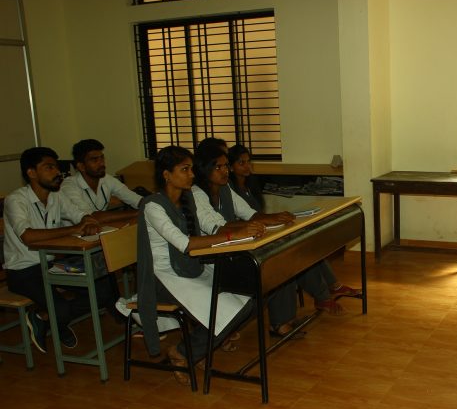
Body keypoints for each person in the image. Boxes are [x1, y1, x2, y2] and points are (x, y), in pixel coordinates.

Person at [137, 146, 263, 385]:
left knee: (248, 299)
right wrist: (232, 236)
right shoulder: (153, 206)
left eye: (192, 169)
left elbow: (196, 242)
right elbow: (185, 244)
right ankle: (184, 352)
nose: (192, 175)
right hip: (164, 277)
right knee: (230, 309)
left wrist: (238, 236)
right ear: (166, 175)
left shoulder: (187, 200)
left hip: (191, 268)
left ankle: (196, 348)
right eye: (184, 170)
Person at [3, 147, 118, 353]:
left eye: (56, 167)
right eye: (49, 167)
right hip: (24, 271)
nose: (57, 172)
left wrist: (88, 221)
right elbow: (28, 236)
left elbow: (80, 215)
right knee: (62, 308)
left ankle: (44, 318)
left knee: (102, 291)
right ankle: (57, 319)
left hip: (50, 265)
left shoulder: (56, 196)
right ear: (31, 173)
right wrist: (75, 228)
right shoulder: (16, 200)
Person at [226, 142, 361, 314]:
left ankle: (334, 286)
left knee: (306, 243)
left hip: (264, 230)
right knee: (296, 254)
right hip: (252, 237)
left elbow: (258, 214)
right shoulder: (230, 191)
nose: (247, 166)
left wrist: (275, 219)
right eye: (241, 163)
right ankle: (323, 296)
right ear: (231, 167)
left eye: (248, 162)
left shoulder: (251, 185)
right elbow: (245, 219)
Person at [191, 143, 307, 337]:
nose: (225, 171)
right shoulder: (196, 194)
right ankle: (233, 327)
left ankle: (282, 321)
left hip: (234, 248)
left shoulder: (225, 188)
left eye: (226, 166)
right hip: (214, 257)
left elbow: (249, 213)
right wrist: (252, 226)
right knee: (271, 268)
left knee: (281, 256)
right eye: (218, 167)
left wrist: (275, 217)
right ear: (204, 169)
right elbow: (218, 228)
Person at [60, 139, 142, 223]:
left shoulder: (107, 179)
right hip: (77, 230)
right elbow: (91, 217)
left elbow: (137, 200)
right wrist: (139, 213)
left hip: (101, 227)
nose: (102, 163)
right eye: (94, 160)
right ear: (81, 166)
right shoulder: (68, 186)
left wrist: (147, 205)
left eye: (102, 158)